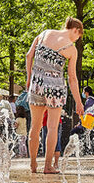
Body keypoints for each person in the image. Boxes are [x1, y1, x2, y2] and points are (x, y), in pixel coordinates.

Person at [26, 17, 85, 174]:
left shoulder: (44, 34)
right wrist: (79, 103)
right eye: (79, 35)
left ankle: (32, 164)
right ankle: (47, 166)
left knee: (35, 127)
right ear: (75, 30)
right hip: (55, 88)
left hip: (36, 85)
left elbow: (28, 55)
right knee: (52, 127)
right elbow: (72, 78)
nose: (77, 39)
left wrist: (29, 78)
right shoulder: (71, 49)